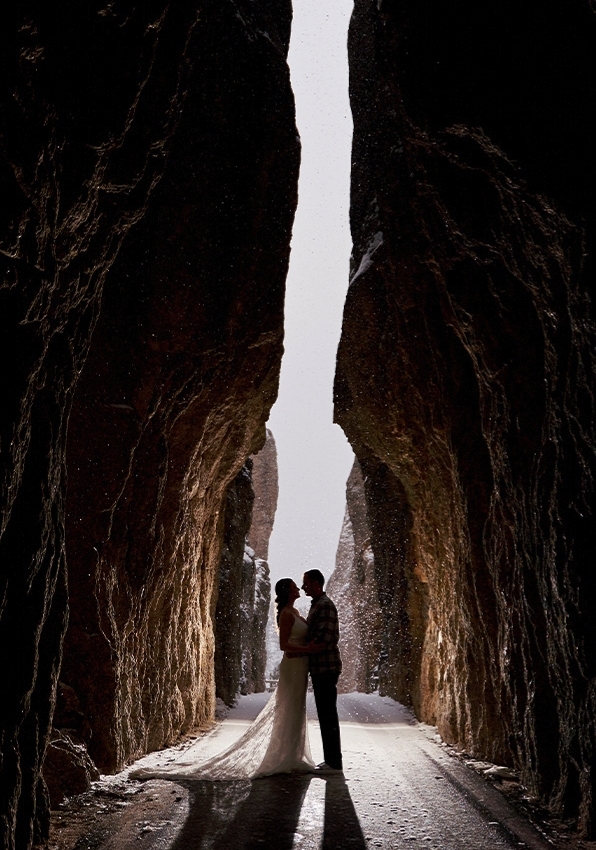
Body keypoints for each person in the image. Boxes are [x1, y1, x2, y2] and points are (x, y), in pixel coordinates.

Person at [129, 578, 319, 781]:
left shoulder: (295, 612)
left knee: (296, 708)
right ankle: (285, 757)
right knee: (288, 707)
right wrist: (307, 650)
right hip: (292, 666)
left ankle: (292, 754)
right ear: (287, 592)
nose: (298, 589)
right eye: (294, 587)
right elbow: (284, 646)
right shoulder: (287, 615)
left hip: (299, 666)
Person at [302, 569, 343, 774]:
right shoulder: (318, 604)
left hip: (326, 667)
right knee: (326, 715)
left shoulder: (325, 606)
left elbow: (325, 638)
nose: (303, 588)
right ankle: (332, 761)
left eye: (306, 584)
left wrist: (306, 646)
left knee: (327, 716)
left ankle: (334, 763)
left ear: (317, 584)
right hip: (322, 667)